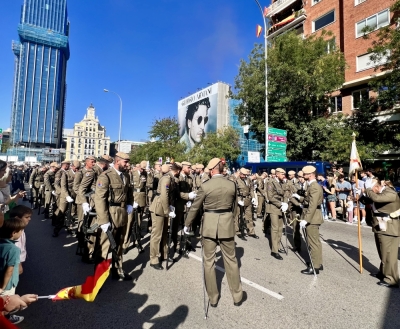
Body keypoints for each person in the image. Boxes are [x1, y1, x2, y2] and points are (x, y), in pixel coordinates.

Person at [184, 158, 244, 307]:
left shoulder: (205, 186)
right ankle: (237, 296)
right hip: (227, 223)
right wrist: (230, 220)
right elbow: (235, 207)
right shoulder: (232, 185)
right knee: (231, 260)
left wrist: (187, 224)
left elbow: (195, 208)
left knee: (209, 261)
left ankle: (213, 297)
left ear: (211, 171)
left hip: (209, 225)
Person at [93, 152, 133, 281]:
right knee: (104, 247)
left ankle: (118, 269)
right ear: (117, 161)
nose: (128, 164)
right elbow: (99, 199)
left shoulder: (126, 175)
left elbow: (129, 192)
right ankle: (98, 278)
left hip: (122, 213)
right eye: (125, 162)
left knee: (119, 244)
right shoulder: (106, 176)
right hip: (110, 213)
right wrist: (103, 220)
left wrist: (130, 204)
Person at [365, 178, 400, 288]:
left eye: (372, 188)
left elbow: (376, 198)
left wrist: (367, 189)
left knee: (389, 254)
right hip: (380, 226)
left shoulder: (390, 193)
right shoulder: (381, 192)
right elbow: (370, 200)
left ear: (376, 186)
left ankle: (391, 279)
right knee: (383, 253)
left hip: (389, 228)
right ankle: (383, 272)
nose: (372, 191)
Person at [293, 165, 324, 275]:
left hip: (312, 217)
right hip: (312, 216)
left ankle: (315, 266)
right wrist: (299, 197)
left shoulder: (314, 186)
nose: (303, 175)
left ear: (310, 175)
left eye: (304, 174)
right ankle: (318, 262)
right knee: (315, 241)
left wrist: (306, 219)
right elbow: (308, 200)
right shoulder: (312, 186)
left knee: (313, 243)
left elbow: (312, 205)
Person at [148, 163, 179, 270]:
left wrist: (169, 207)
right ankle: (154, 259)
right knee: (157, 234)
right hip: (159, 208)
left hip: (164, 207)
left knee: (165, 232)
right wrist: (167, 210)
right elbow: (164, 195)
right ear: (178, 171)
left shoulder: (171, 178)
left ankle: (164, 255)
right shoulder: (167, 179)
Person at [265, 168, 288, 260]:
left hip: (281, 208)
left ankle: (277, 246)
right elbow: (270, 197)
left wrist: (285, 203)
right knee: (275, 229)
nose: (284, 176)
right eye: (282, 174)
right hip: (274, 208)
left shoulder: (283, 183)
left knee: (279, 229)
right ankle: (274, 251)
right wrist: (280, 203)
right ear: (277, 174)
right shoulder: (271, 182)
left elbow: (286, 194)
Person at [8, 206, 32, 275]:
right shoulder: (15, 233)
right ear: (17, 218)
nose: (29, 219)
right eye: (26, 217)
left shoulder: (21, 228)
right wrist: (18, 265)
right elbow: (15, 249)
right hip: (16, 262)